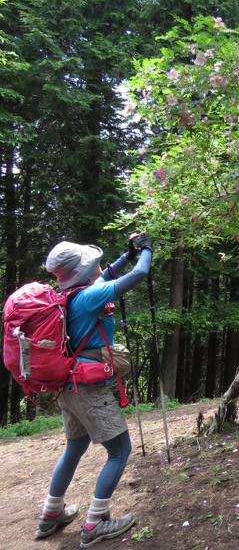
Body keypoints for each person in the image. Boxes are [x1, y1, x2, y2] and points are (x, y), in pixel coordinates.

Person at [35, 233, 153, 547]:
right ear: (84, 272)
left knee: (74, 447)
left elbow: (107, 274)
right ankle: (95, 522)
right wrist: (146, 251)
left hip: (68, 387)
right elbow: (140, 275)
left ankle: (50, 514)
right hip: (89, 388)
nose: (98, 266)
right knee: (119, 450)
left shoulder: (71, 294)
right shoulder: (91, 296)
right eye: (93, 264)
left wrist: (127, 255)